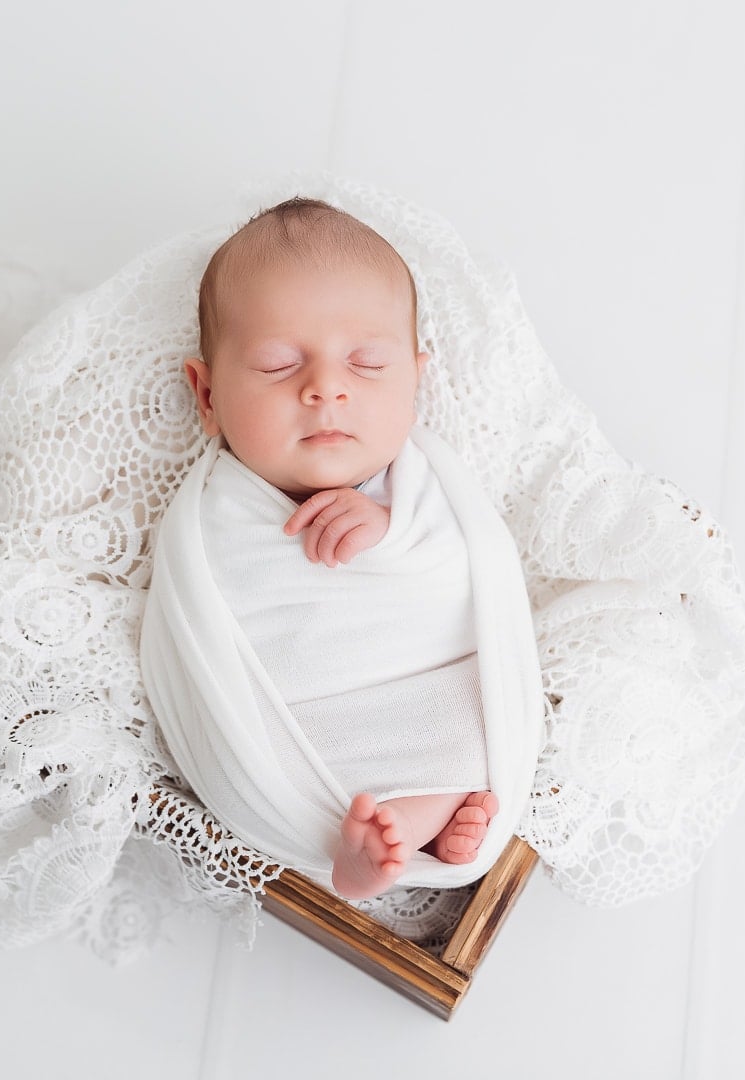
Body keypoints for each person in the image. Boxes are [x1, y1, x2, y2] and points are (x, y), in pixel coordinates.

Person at [168, 196, 498, 901]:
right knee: (255, 747)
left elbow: (476, 580)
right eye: (277, 365)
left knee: (477, 720)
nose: (325, 388)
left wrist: (391, 533)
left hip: (422, 689)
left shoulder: (421, 486)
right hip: (300, 727)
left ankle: (408, 826)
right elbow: (191, 634)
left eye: (367, 363)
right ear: (207, 394)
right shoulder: (208, 514)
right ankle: (382, 837)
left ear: (415, 381)